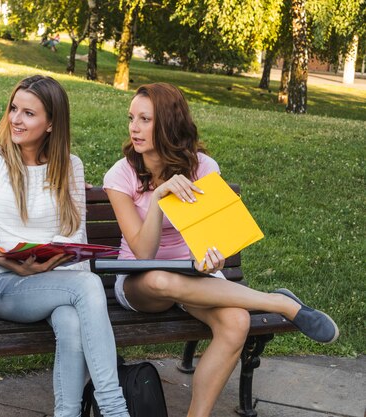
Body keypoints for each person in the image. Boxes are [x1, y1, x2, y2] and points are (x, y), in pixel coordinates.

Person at [103, 82, 339, 417]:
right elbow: (143, 253)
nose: (134, 128)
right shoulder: (122, 174)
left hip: (195, 276)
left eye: (145, 119)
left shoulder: (203, 168)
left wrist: (209, 257)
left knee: (237, 322)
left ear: (169, 124)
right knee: (161, 280)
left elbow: (215, 240)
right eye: (131, 118)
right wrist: (158, 198)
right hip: (141, 282)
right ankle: (280, 303)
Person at [0, 75, 129, 417]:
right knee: (87, 285)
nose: (15, 119)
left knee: (71, 320)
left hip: (55, 281)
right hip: (1, 284)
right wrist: (11, 263)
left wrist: (55, 263)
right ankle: (115, 409)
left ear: (51, 123)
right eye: (14, 109)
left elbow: (75, 237)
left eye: (29, 113)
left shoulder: (70, 166)